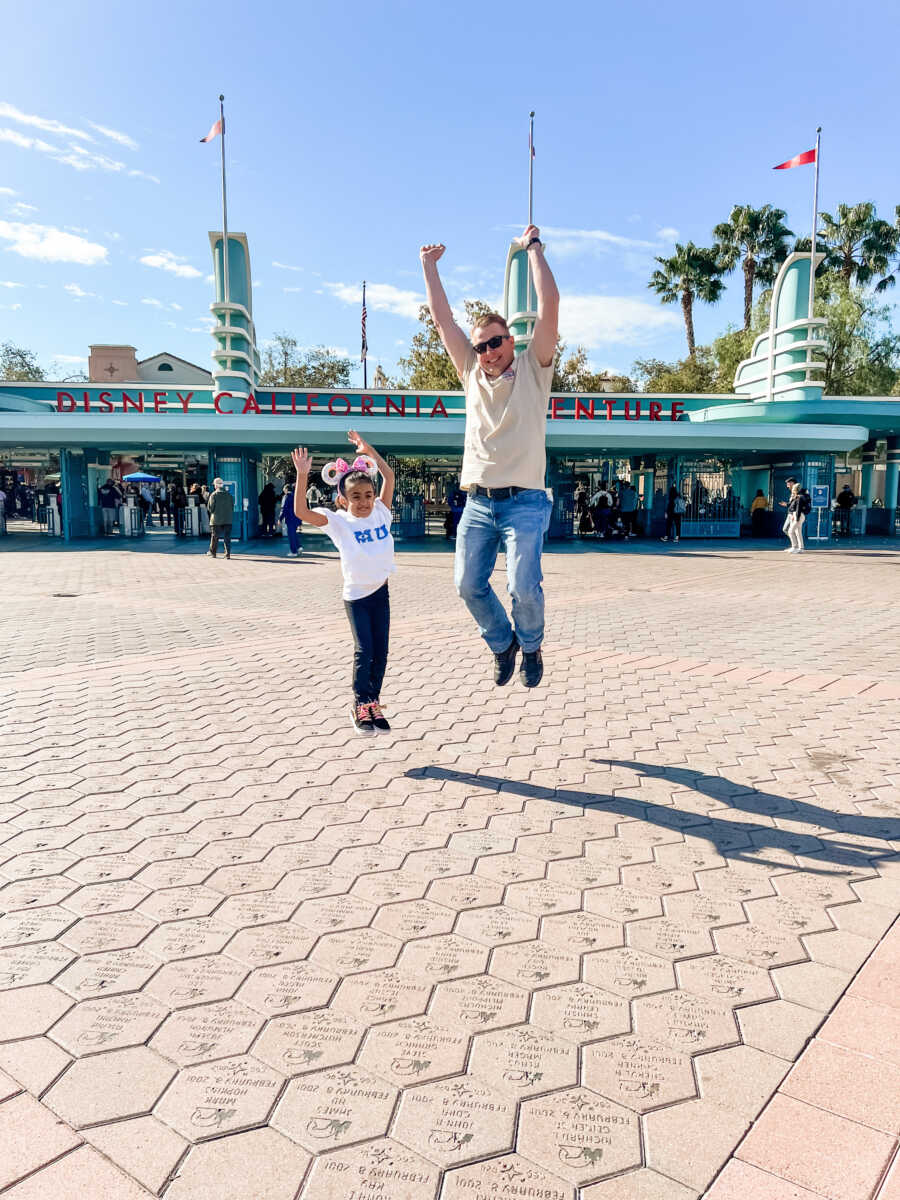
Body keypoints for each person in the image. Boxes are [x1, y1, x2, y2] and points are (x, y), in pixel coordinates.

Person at [420, 225, 559, 688]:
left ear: (511, 342)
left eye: (495, 342)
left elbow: (550, 308)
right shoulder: (469, 373)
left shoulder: (535, 373)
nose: (487, 351)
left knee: (522, 588)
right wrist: (429, 268)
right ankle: (503, 644)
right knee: (467, 585)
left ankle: (532, 646)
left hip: (526, 503)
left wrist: (534, 250)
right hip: (478, 503)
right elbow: (442, 321)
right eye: (480, 346)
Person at [291, 433, 396, 736]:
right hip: (357, 597)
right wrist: (301, 476)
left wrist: (369, 450)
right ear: (342, 499)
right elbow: (301, 512)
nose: (363, 502)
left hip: (381, 592)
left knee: (382, 651)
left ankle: (373, 703)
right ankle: (360, 705)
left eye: (367, 494)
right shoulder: (338, 522)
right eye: (355, 497)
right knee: (365, 650)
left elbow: (388, 475)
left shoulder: (380, 512)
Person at [206, 478, 235, 559]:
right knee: (227, 537)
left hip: (216, 520)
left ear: (216, 485)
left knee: (215, 537)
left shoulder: (214, 495)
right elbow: (232, 507)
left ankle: (213, 553)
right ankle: (227, 554)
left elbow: (210, 508)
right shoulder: (229, 495)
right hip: (228, 519)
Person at [784, 481, 810, 554]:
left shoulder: (798, 497)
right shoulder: (799, 496)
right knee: (798, 532)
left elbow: (798, 508)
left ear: (795, 489)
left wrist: (796, 518)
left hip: (798, 515)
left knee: (790, 531)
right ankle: (801, 548)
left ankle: (794, 547)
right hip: (798, 515)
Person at [281, 482, 302, 556]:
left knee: (291, 535)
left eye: (284, 489)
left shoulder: (286, 497)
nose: (283, 490)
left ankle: (294, 552)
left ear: (286, 489)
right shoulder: (295, 496)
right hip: (296, 518)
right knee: (294, 533)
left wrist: (280, 518)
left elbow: (284, 509)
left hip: (290, 518)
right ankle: (299, 546)